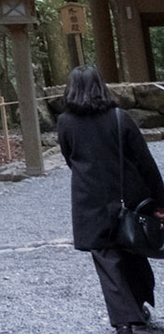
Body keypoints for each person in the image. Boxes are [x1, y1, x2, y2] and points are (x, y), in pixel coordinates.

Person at [60, 64, 164, 333]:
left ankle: (126, 320)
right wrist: (159, 198)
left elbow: (69, 157)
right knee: (132, 251)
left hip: (88, 200)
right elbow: (144, 162)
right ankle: (133, 314)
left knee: (108, 262)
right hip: (127, 198)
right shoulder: (120, 117)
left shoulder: (66, 122)